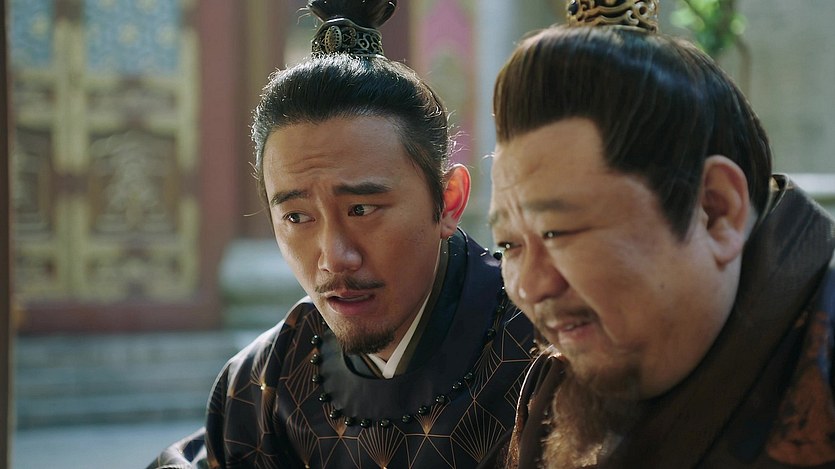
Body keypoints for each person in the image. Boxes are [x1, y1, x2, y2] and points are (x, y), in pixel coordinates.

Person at [148, 1, 535, 468]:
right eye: (297, 217)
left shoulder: (541, 351)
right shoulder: (266, 381)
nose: (334, 258)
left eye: (361, 209)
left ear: (449, 201)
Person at [487, 0, 835, 467]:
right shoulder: (553, 386)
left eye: (557, 232)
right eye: (509, 244)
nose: (529, 287)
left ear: (715, 210)